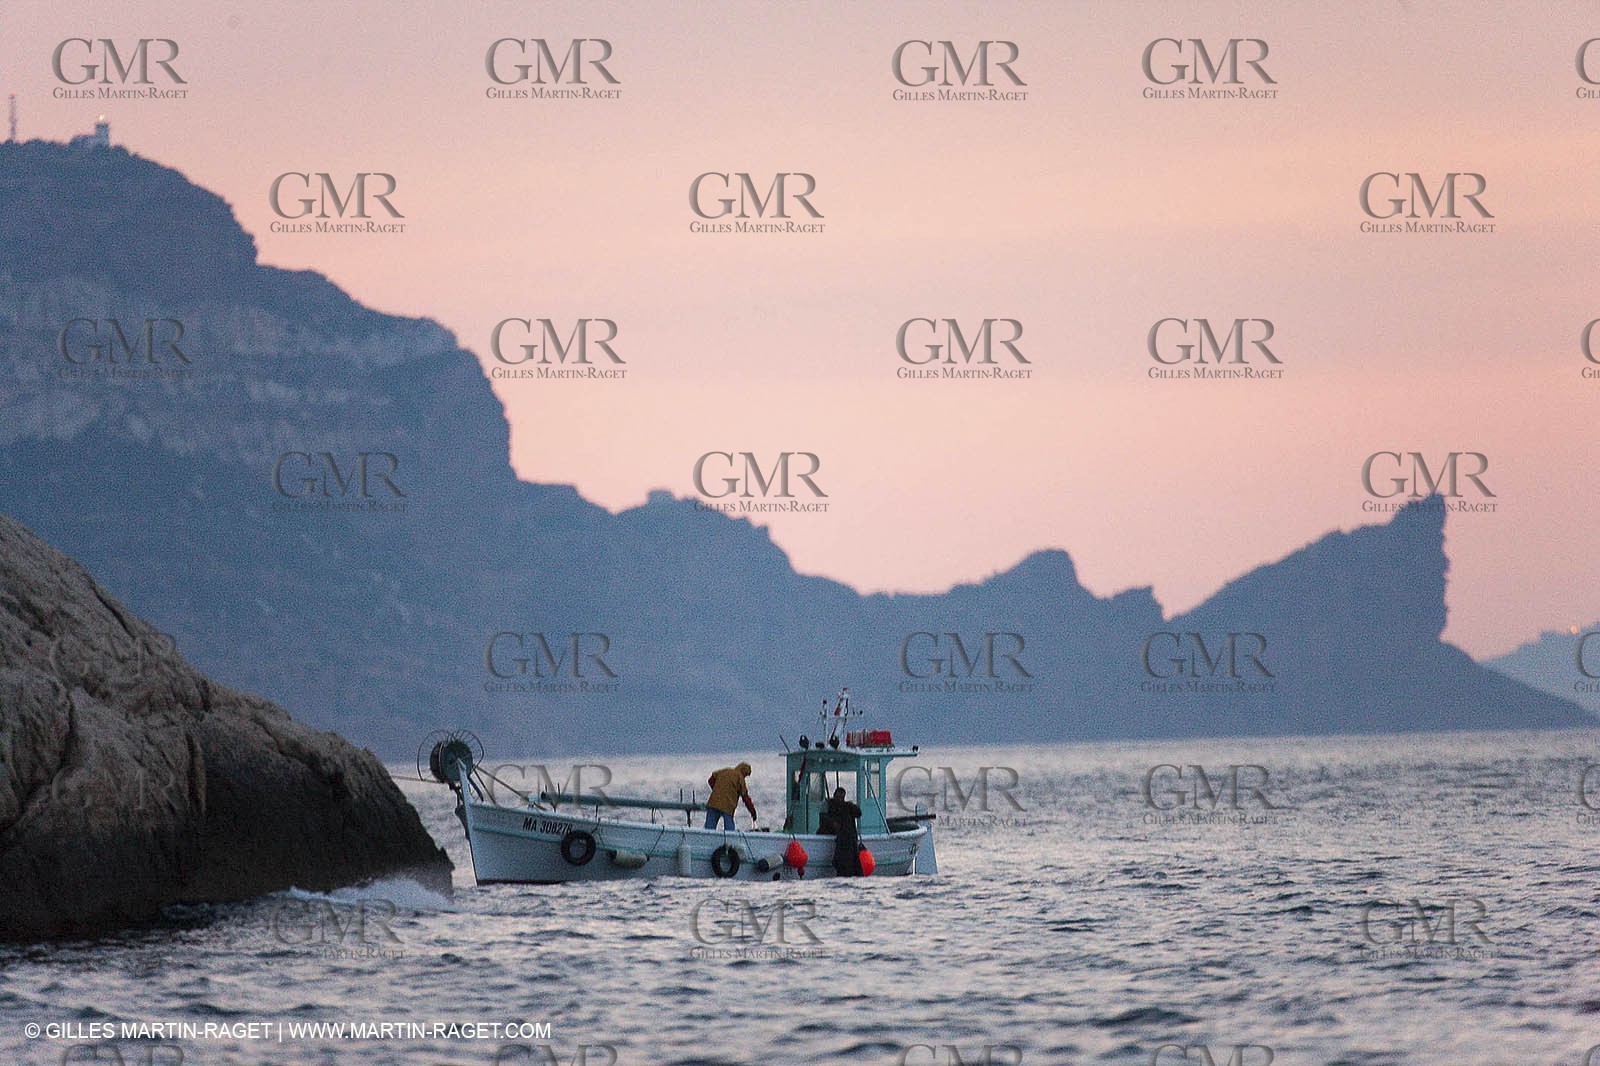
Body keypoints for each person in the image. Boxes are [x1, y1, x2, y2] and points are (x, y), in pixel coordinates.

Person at [704, 762, 756, 830]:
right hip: (728, 806)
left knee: (709, 829)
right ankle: (730, 837)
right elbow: (746, 798)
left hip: (713, 803)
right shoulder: (740, 778)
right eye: (746, 775)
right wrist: (753, 812)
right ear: (744, 772)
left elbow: (710, 780)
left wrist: (718, 791)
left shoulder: (724, 771)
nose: (745, 777)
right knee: (730, 830)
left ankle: (706, 837)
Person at [826, 786, 862, 876]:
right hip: (845, 841)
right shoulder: (833, 807)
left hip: (847, 840)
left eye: (841, 797)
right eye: (838, 797)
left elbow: (858, 813)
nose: (839, 799)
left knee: (847, 864)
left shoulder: (847, 807)